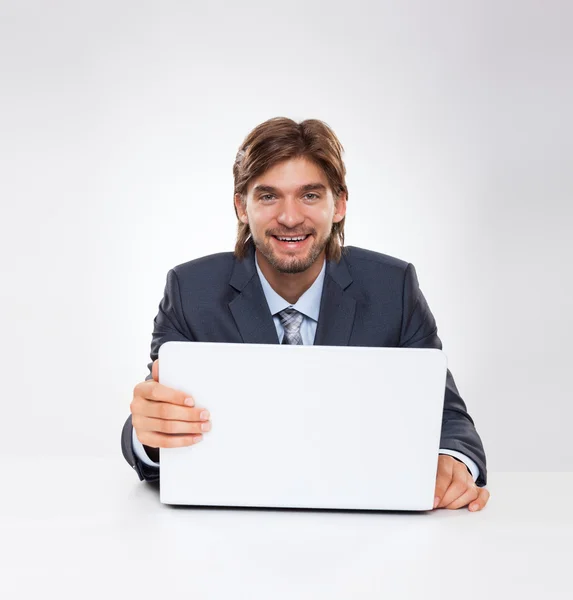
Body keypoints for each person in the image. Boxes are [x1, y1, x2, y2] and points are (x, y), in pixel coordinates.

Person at [121, 116, 490, 512]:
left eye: (310, 196)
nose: (291, 217)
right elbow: (154, 410)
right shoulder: (191, 290)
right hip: (232, 525)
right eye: (268, 196)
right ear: (240, 207)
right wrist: (149, 435)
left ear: (339, 204)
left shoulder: (392, 287)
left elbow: (447, 416)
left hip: (365, 524)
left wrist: (452, 460)